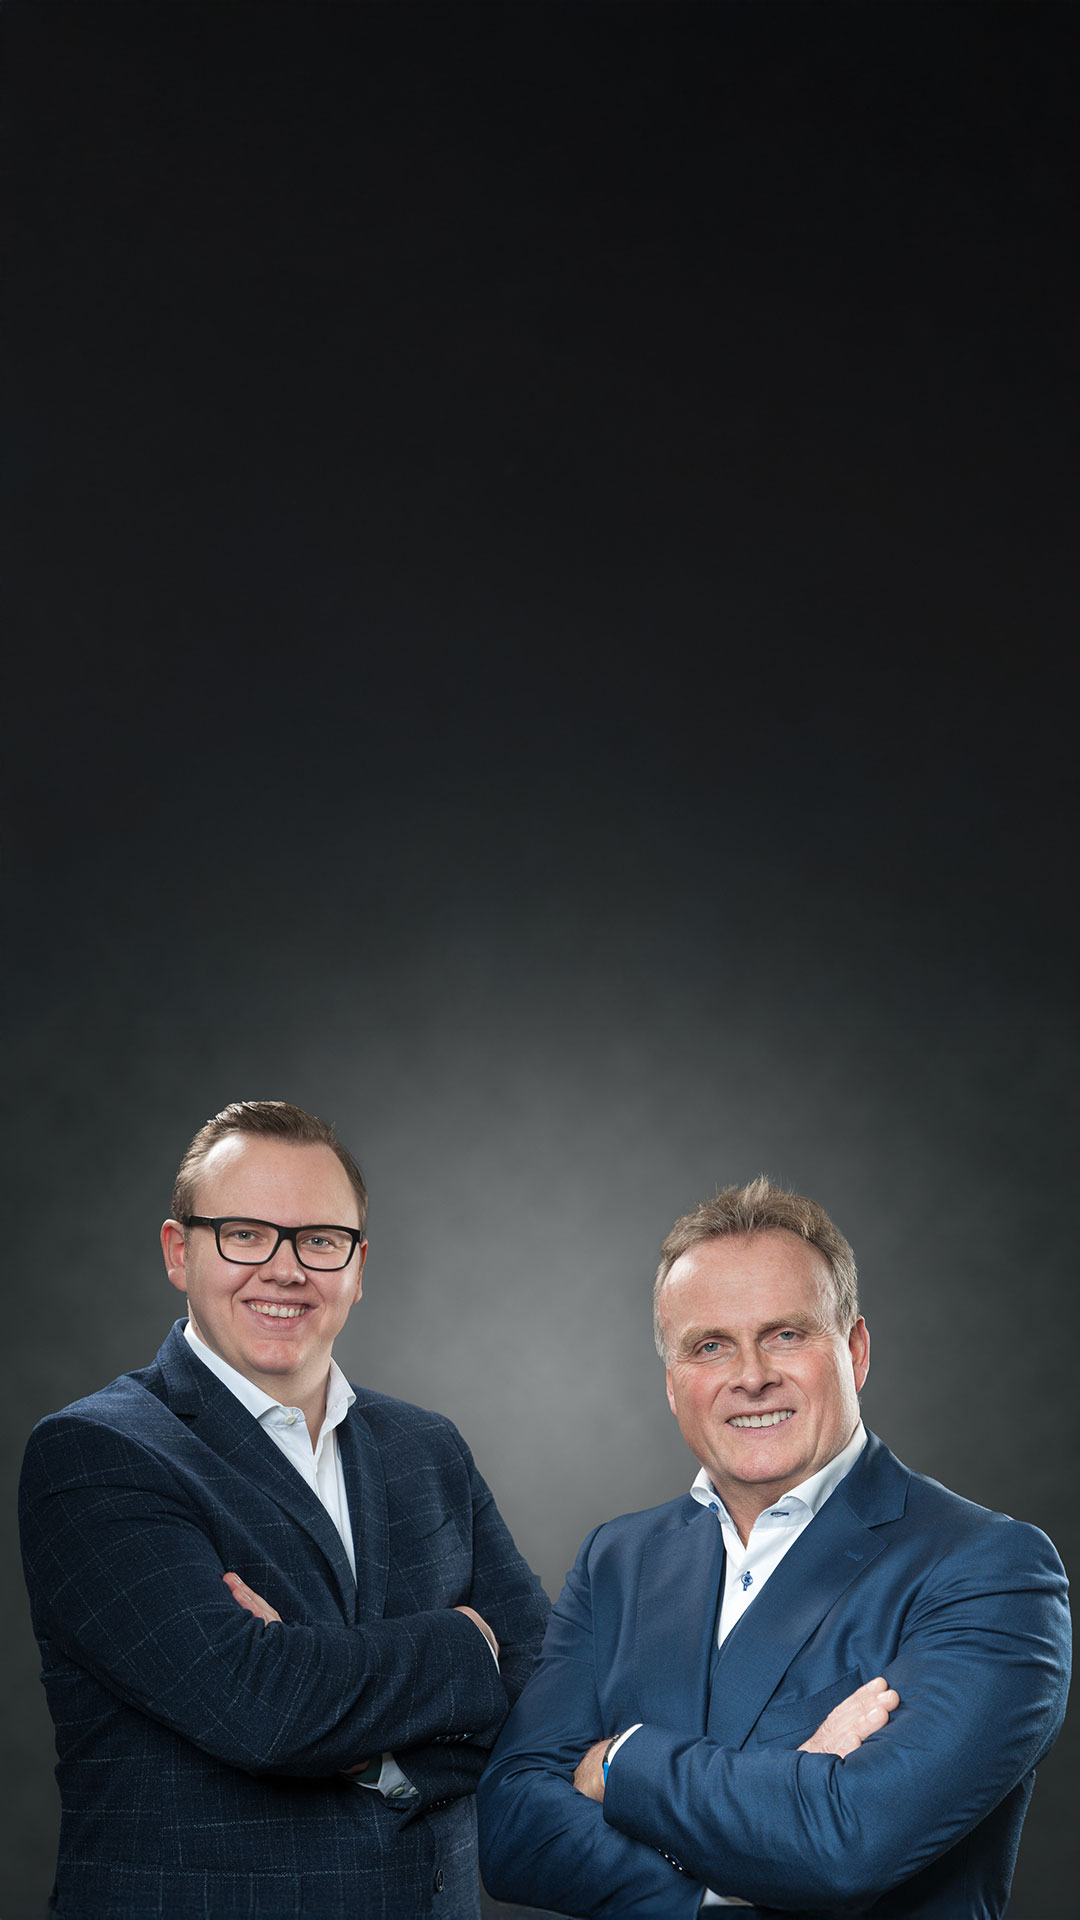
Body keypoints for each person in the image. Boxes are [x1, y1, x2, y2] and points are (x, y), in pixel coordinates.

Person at [477, 1177, 1071, 1918]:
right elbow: (512, 1831)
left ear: (855, 1351)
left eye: (786, 1335)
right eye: (710, 1346)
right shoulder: (617, 1562)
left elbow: (850, 1842)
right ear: (673, 1384)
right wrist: (777, 1809)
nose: (751, 1377)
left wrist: (616, 1762)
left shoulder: (990, 1569)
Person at [20, 1100, 550, 1919]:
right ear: (179, 1252)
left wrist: (356, 1745)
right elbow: (265, 1710)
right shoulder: (96, 1453)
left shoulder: (428, 1446)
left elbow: (544, 1681)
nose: (285, 1269)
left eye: (320, 1240)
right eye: (245, 1234)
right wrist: (467, 1643)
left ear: (358, 1266)